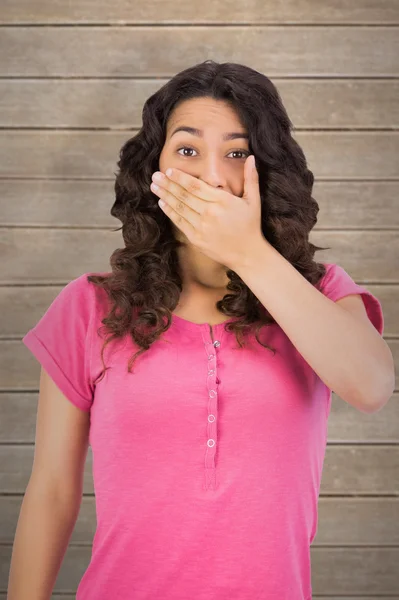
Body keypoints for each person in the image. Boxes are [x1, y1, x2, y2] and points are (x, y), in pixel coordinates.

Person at [8, 60, 390, 600]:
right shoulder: (90, 306)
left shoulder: (319, 293)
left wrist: (249, 253)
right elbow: (50, 492)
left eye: (237, 153)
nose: (212, 176)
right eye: (187, 150)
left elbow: (372, 387)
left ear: (268, 169)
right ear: (153, 169)